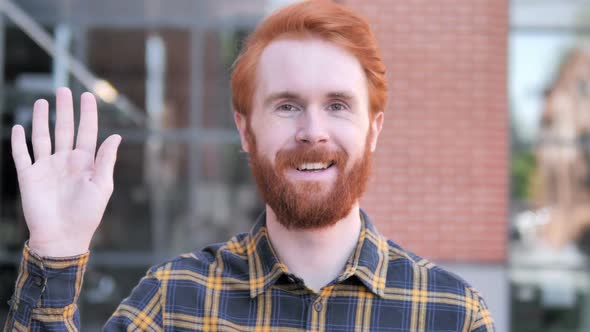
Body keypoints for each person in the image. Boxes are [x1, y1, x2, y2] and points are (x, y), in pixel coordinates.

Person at [4, 1, 495, 331]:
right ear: (245, 130)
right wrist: (57, 253)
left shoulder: (451, 314)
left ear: (374, 129)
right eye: (286, 105)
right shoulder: (174, 302)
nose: (313, 130)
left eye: (338, 105)